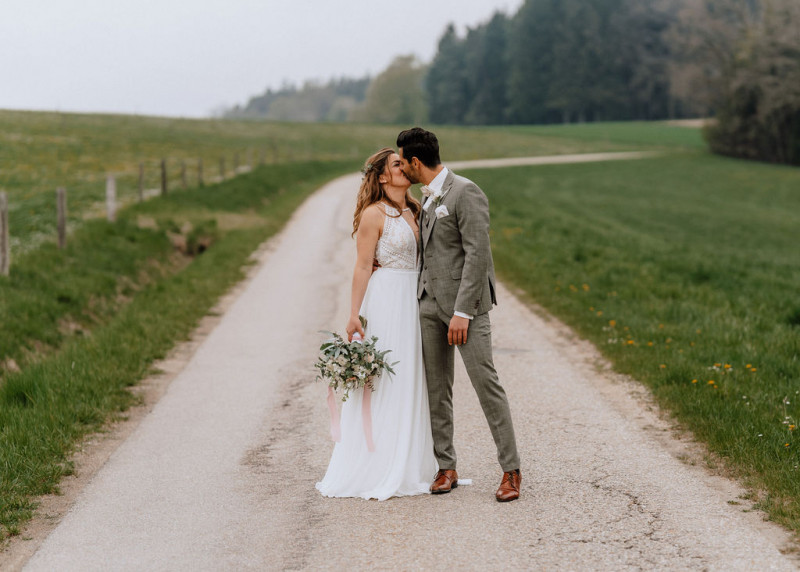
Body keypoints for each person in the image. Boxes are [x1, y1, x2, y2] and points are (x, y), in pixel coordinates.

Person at [396, 127, 521, 502]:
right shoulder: (426, 199)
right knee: (437, 390)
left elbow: (478, 254)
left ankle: (511, 471)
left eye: (403, 161)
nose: (402, 167)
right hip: (428, 306)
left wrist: (463, 312)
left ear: (416, 162)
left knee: (487, 386)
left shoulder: (466, 192)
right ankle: (446, 466)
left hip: (466, 311)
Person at [316, 148, 437, 500]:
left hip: (413, 300)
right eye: (397, 164)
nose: (405, 168)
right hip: (385, 301)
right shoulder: (373, 214)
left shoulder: (416, 209)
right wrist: (354, 313)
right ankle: (378, 463)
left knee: (414, 376)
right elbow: (362, 266)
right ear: (382, 176)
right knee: (387, 379)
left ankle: (415, 462)